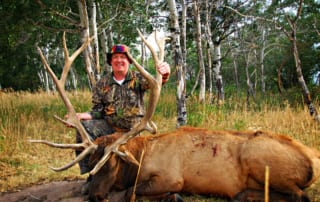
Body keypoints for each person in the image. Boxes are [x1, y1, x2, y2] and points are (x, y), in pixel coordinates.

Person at [74, 44, 170, 194]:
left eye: (123, 58)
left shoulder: (138, 78)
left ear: (129, 61)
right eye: (115, 57)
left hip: (133, 131)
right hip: (110, 128)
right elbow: (99, 110)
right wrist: (84, 116)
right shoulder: (102, 83)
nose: (119, 60)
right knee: (82, 128)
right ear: (111, 61)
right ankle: (92, 175)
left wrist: (164, 74)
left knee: (133, 164)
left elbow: (157, 83)